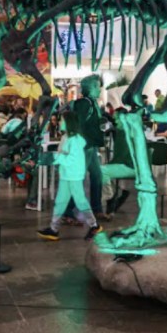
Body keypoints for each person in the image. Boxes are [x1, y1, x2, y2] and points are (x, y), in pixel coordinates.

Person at [37, 112, 103, 241]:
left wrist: (55, 157)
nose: (60, 122)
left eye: (62, 120)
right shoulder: (66, 137)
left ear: (69, 123)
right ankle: (53, 229)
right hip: (66, 174)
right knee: (61, 201)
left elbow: (71, 159)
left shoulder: (76, 140)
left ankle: (94, 225)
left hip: (74, 175)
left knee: (80, 201)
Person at [62, 75, 109, 223]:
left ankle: (97, 209)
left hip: (91, 146)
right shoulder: (84, 103)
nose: (99, 89)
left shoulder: (93, 103)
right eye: (96, 86)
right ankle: (67, 212)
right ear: (89, 88)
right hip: (85, 147)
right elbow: (79, 124)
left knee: (96, 176)